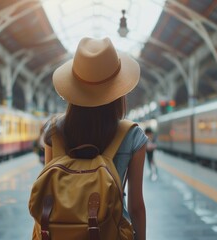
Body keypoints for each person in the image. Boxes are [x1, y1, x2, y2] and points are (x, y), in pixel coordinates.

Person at [40, 37, 147, 240]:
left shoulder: (53, 132)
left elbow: (48, 195)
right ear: (119, 91)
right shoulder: (133, 135)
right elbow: (136, 207)